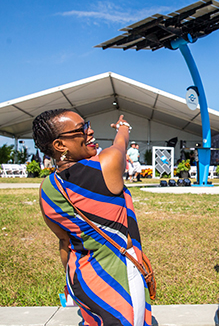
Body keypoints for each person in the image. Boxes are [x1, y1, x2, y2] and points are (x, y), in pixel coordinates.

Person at [32, 110, 152, 326]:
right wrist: (123, 127)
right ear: (60, 145)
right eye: (82, 129)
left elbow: (65, 242)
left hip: (81, 281)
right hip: (118, 278)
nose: (90, 130)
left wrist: (72, 287)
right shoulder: (105, 165)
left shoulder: (47, 189)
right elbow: (121, 144)